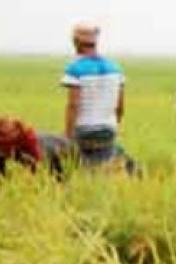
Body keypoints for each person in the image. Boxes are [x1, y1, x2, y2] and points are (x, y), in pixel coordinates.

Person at [62, 22, 131, 169]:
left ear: (76, 43)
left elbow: (73, 105)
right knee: (105, 169)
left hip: (84, 130)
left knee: (79, 169)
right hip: (108, 129)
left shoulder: (75, 69)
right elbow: (120, 107)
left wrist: (67, 137)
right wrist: (112, 124)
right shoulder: (115, 68)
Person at [0, 117, 74, 180]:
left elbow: (56, 180)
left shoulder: (36, 150)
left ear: (14, 145)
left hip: (67, 149)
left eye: (3, 149)